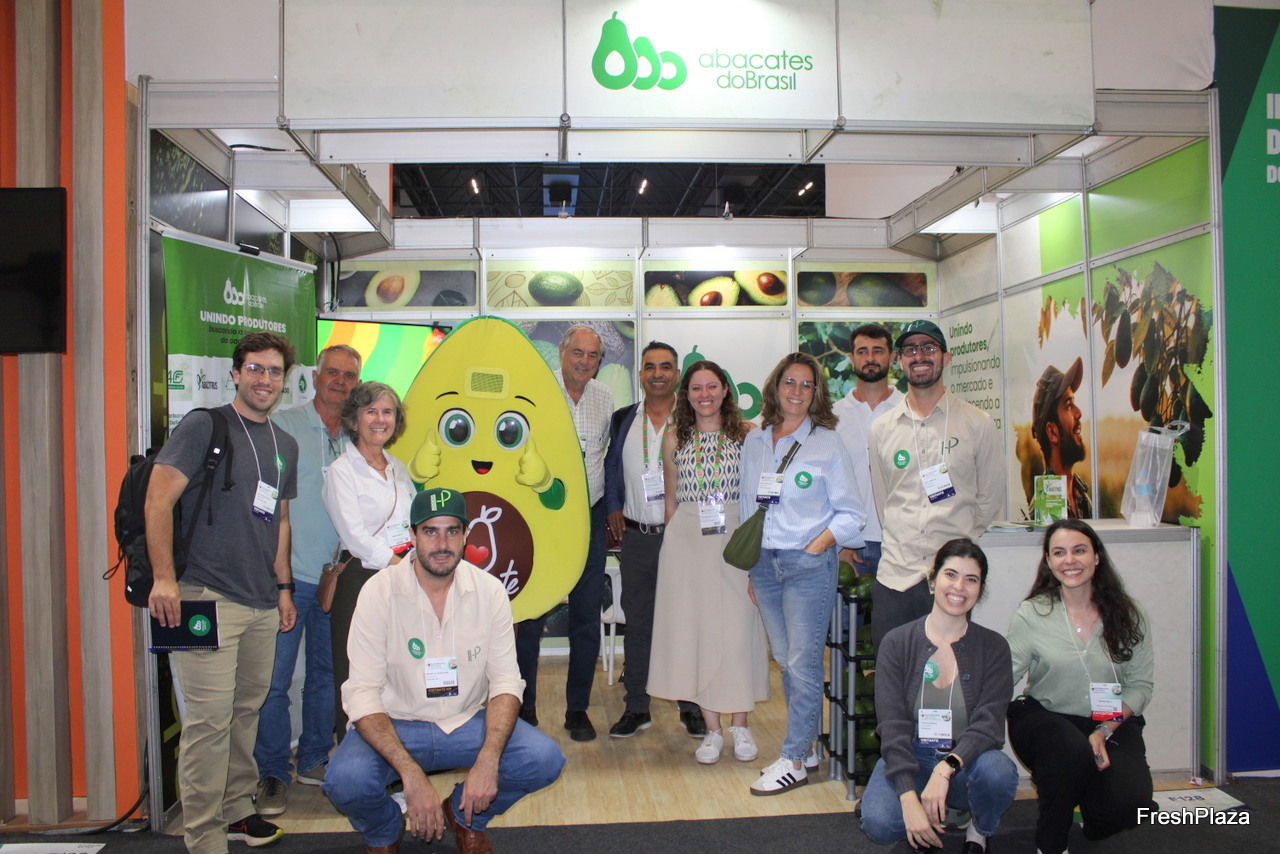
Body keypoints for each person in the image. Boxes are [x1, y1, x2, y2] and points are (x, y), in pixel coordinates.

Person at [323, 487, 566, 854]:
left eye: (452, 531)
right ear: (412, 535)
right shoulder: (378, 593)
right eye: (430, 531)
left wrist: (488, 761)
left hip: (465, 722)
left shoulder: (490, 592)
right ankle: (385, 830)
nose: (442, 543)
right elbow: (362, 692)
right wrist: (411, 776)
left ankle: (465, 816)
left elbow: (505, 681)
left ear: (466, 535)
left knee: (543, 759)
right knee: (344, 780)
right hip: (397, 723)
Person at [146, 331, 300, 853]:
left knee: (245, 712)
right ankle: (203, 837)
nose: (264, 379)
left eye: (274, 371)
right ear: (235, 374)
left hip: (261, 601)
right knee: (209, 724)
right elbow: (158, 500)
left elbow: (280, 520)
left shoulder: (284, 444)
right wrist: (164, 578)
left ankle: (237, 811)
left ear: (284, 380)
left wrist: (283, 587)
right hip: (202, 597)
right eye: (255, 368)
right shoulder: (203, 425)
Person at [740, 352, 866, 795]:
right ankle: (808, 746)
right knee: (786, 661)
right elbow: (748, 507)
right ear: (775, 387)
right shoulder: (755, 442)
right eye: (789, 382)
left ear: (816, 394)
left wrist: (819, 545)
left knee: (803, 662)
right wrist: (750, 568)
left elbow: (853, 514)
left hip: (807, 566)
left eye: (806, 385)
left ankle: (793, 758)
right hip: (764, 565)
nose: (796, 391)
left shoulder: (827, 443)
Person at [252, 344, 361, 815]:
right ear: (315, 377)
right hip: (288, 580)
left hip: (338, 580)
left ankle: (315, 757)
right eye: (332, 373)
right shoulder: (283, 427)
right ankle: (273, 773)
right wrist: (274, 575)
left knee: (326, 676)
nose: (339, 382)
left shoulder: (359, 435)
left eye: (349, 376)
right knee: (274, 682)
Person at [1006, 519, 1154, 854]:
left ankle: (1088, 801)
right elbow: (1004, 676)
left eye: (1079, 550)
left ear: (1096, 557)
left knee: (1130, 806)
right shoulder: (1032, 613)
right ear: (1048, 561)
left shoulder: (1129, 614)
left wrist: (1104, 730)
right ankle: (1051, 842)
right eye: (1059, 552)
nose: (1069, 560)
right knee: (1068, 754)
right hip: (1045, 718)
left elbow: (1140, 686)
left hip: (1109, 720)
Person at [860, 539, 1018, 853]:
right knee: (879, 823)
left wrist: (946, 768)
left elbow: (988, 725)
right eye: (951, 574)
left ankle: (978, 828)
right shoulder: (897, 643)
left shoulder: (994, 647)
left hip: (965, 760)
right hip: (912, 755)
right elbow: (892, 726)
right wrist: (908, 799)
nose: (959, 587)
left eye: (971, 579)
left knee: (998, 773)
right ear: (932, 581)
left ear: (980, 590)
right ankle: (927, 810)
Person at [647, 360, 769, 765]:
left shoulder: (748, 435)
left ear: (725, 390)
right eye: (696, 388)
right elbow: (670, 501)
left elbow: (759, 497)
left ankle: (741, 725)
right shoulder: (674, 438)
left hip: (735, 539)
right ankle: (712, 730)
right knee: (695, 634)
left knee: (738, 632)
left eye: (712, 387)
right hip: (686, 541)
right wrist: (671, 554)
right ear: (686, 394)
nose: (705, 395)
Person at [869, 320, 1005, 653]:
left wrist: (959, 538)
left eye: (929, 348)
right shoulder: (882, 428)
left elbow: (989, 499)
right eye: (910, 349)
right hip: (896, 577)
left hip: (952, 581)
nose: (919, 356)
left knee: (949, 675)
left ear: (946, 357)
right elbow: (885, 499)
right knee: (893, 674)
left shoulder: (978, 424)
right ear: (900, 361)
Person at [603, 341, 707, 739]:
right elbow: (612, 466)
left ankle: (690, 707)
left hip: (682, 538)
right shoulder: (623, 419)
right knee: (639, 624)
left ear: (677, 374)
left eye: (665, 366)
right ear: (641, 373)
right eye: (650, 367)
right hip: (638, 538)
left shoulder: (695, 418)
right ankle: (636, 706)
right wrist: (614, 505)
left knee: (685, 622)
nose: (658, 374)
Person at [515, 324, 614, 741]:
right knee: (530, 615)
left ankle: (577, 709)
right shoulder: (538, 391)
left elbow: (606, 456)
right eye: (578, 353)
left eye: (592, 356)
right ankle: (524, 709)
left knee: (586, 616)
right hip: (542, 518)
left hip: (588, 519)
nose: (584, 362)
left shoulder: (605, 397)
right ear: (561, 352)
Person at [322, 381, 416, 737]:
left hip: (402, 580)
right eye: (371, 411)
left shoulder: (398, 468)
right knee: (357, 673)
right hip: (362, 580)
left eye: (387, 412)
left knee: (398, 670)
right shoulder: (341, 471)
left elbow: (411, 525)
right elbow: (355, 537)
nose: (380, 419)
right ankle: (355, 755)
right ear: (354, 419)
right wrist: (400, 566)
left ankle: (397, 758)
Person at [832, 322, 904, 578]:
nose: (870, 358)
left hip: (901, 544)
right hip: (849, 546)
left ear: (892, 358)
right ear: (851, 358)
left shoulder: (910, 410)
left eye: (878, 351)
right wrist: (841, 543)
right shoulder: (832, 417)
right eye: (862, 352)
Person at [1031, 357, 1093, 519]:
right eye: (1068, 405)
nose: (1078, 413)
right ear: (1052, 432)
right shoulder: (1048, 501)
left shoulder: (1080, 495)